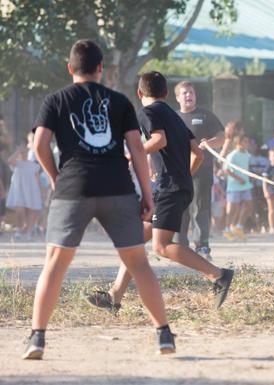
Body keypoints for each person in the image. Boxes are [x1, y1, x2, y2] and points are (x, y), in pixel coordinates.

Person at [25, 39, 173, 359]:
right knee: (138, 262)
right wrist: (147, 195)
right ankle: (163, 334)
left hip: (73, 188)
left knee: (55, 264)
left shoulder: (56, 100)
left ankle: (37, 338)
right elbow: (137, 151)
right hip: (117, 188)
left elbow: (39, 145)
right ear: (101, 69)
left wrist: (56, 179)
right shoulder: (119, 101)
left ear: (70, 68)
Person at [87, 71, 234, 315]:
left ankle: (219, 276)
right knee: (134, 239)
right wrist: (185, 176)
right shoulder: (175, 117)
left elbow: (159, 140)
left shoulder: (147, 112)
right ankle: (114, 296)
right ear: (166, 94)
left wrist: (133, 154)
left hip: (169, 187)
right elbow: (198, 153)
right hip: (177, 185)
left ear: (139, 93)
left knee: (162, 246)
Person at [174, 81, 225, 258]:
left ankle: (202, 246)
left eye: (191, 93)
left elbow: (221, 137)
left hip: (201, 173)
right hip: (178, 173)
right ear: (177, 97)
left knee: (200, 208)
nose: (189, 95)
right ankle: (179, 245)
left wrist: (209, 143)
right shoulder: (172, 118)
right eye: (185, 93)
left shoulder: (205, 116)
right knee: (180, 208)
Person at [6, 135, 43, 240]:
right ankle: (20, 228)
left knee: (30, 211)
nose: (24, 154)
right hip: (19, 191)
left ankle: (28, 232)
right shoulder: (16, 164)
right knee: (19, 209)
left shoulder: (33, 165)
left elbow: (37, 179)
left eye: (25, 152)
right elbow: (10, 160)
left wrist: (41, 193)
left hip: (31, 191)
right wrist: (18, 151)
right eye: (22, 152)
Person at [223, 134, 254, 240]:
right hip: (234, 186)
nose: (248, 144)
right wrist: (238, 179)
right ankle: (227, 230)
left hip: (246, 185)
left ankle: (239, 227)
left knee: (249, 206)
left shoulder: (247, 154)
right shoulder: (232, 155)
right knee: (232, 209)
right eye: (245, 141)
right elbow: (226, 170)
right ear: (238, 143)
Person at [248, 137, 269, 233]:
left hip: (262, 186)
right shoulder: (247, 158)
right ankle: (252, 226)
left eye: (253, 144)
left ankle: (264, 225)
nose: (252, 146)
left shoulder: (264, 160)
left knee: (263, 206)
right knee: (252, 207)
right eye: (250, 144)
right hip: (251, 186)